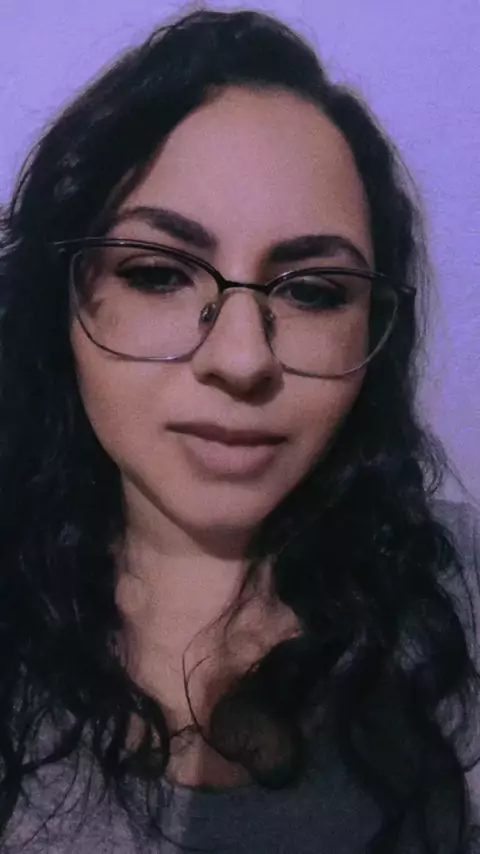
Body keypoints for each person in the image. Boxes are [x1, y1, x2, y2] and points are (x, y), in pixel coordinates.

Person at [0, 7, 479, 853]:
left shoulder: (458, 595)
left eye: (313, 291)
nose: (243, 359)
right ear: (61, 301)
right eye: (158, 274)